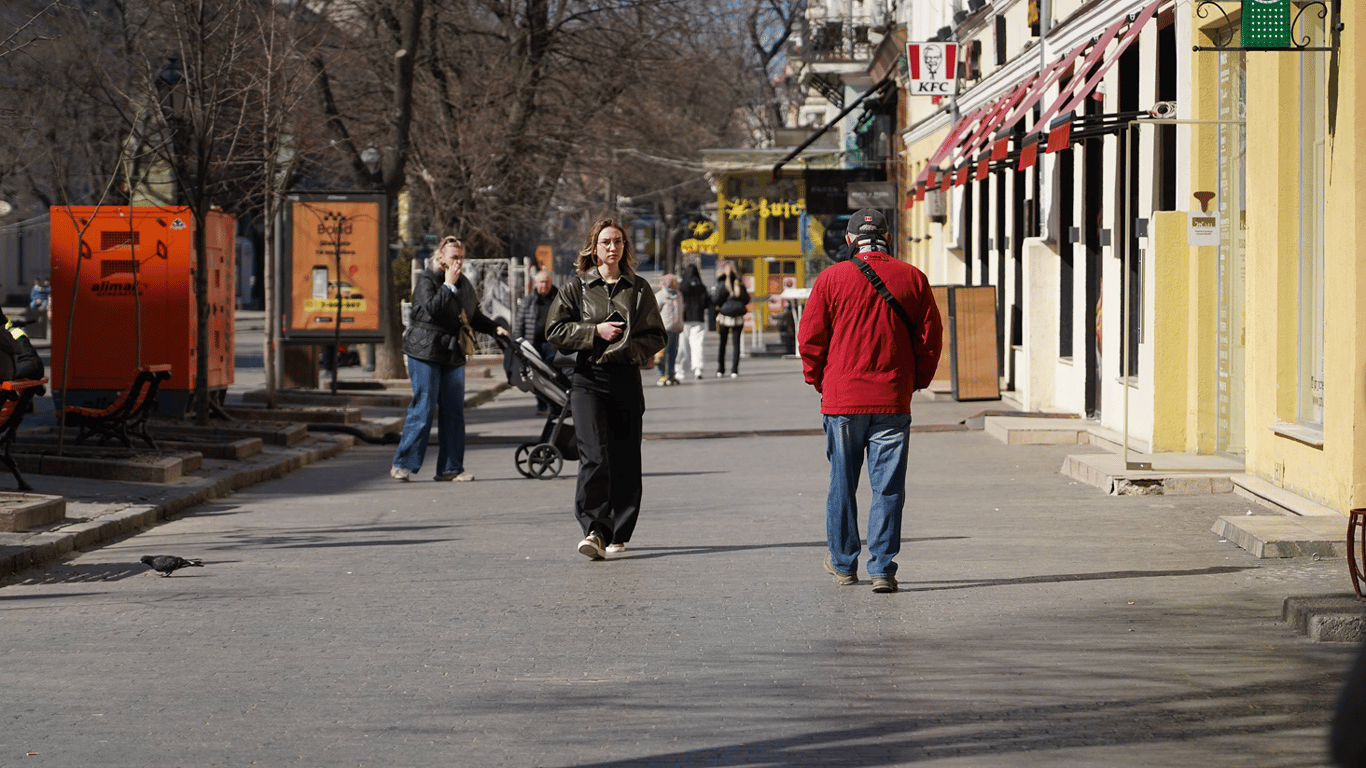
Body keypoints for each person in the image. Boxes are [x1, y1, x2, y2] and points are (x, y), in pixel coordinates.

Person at [797, 209, 943, 593]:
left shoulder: (830, 279)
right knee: (888, 486)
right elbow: (930, 339)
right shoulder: (913, 278)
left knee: (842, 483)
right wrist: (916, 382)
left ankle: (844, 564)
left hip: (842, 400)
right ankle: (882, 567)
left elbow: (810, 340)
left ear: (849, 241)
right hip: (892, 399)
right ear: (888, 238)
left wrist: (819, 382)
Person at [545, 218, 666, 560]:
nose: (612, 247)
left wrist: (629, 349)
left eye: (617, 242)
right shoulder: (576, 288)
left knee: (625, 457)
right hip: (588, 380)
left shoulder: (638, 287)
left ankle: (620, 529)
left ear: (624, 248)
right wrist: (594, 332)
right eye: (605, 242)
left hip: (625, 378)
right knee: (594, 455)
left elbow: (656, 335)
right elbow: (555, 331)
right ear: (593, 248)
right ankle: (594, 529)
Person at [391, 236, 507, 483]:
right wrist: (448, 285)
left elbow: (472, 315)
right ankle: (403, 464)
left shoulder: (463, 283)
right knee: (424, 407)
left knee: (454, 411)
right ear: (440, 258)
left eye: (462, 258)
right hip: (425, 351)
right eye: (454, 257)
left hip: (452, 352)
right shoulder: (427, 280)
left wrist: (495, 328)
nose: (458, 263)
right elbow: (433, 309)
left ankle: (450, 468)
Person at [515, 268, 559, 415]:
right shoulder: (528, 301)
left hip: (552, 345)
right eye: (541, 282)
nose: (544, 285)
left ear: (550, 282)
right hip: (533, 345)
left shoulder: (558, 298)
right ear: (535, 283)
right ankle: (542, 406)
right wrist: (519, 345)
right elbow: (519, 324)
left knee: (553, 375)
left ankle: (555, 405)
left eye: (546, 282)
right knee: (537, 377)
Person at [712, 260, 748, 378]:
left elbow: (716, 299)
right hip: (738, 316)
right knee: (736, 344)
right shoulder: (739, 283)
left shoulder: (722, 283)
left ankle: (720, 369)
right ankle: (734, 370)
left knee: (723, 343)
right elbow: (746, 299)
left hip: (725, 316)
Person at [676, 262, 709, 380]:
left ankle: (679, 370)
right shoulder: (702, 287)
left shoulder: (683, 286)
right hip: (699, 318)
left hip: (684, 319)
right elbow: (707, 302)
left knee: (682, 345)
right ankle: (698, 369)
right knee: (697, 344)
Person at [654, 273, 683, 387]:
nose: (677, 284)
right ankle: (662, 375)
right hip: (664, 329)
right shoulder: (660, 295)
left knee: (673, 353)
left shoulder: (679, 295)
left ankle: (671, 374)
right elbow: (654, 312)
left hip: (676, 328)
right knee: (661, 354)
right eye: (674, 281)